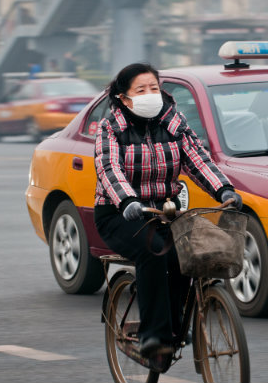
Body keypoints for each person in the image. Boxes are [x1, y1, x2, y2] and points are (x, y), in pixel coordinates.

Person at [93, 63, 242, 358]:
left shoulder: (173, 122)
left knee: (185, 253)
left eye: (153, 88)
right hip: (121, 213)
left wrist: (224, 189)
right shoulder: (110, 128)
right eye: (141, 90)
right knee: (153, 252)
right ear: (123, 97)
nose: (150, 94)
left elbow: (198, 159)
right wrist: (127, 201)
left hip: (165, 211)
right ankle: (154, 334)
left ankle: (174, 326)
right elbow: (109, 169)